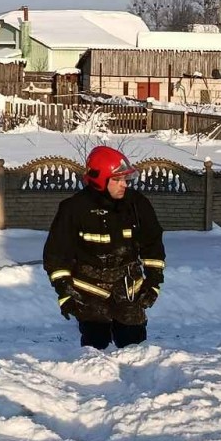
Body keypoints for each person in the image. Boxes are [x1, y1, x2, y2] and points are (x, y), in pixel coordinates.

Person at [43, 146, 165, 351]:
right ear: (100, 180)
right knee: (96, 355)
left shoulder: (137, 204)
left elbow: (153, 245)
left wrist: (153, 282)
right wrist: (64, 291)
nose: (124, 184)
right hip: (89, 294)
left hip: (129, 291)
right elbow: (57, 256)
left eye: (125, 179)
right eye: (117, 179)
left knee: (135, 352)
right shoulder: (73, 209)